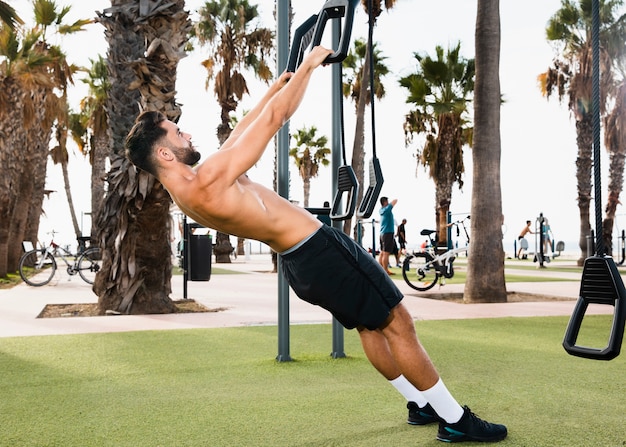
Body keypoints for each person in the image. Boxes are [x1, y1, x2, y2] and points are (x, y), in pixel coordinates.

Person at [125, 46, 507, 443]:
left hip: (301, 266)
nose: (186, 132)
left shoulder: (188, 193)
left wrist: (274, 88)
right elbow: (277, 119)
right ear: (165, 152)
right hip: (320, 251)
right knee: (398, 322)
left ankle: (418, 402)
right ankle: (455, 420)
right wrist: (309, 65)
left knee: (369, 327)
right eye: (176, 131)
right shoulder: (206, 180)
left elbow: (239, 134)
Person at [378, 197, 398, 275]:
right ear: (385, 202)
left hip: (383, 234)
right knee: (386, 253)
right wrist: (389, 205)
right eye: (387, 201)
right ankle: (385, 271)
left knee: (382, 252)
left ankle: (380, 269)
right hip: (388, 233)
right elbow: (395, 200)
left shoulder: (381, 210)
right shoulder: (386, 210)